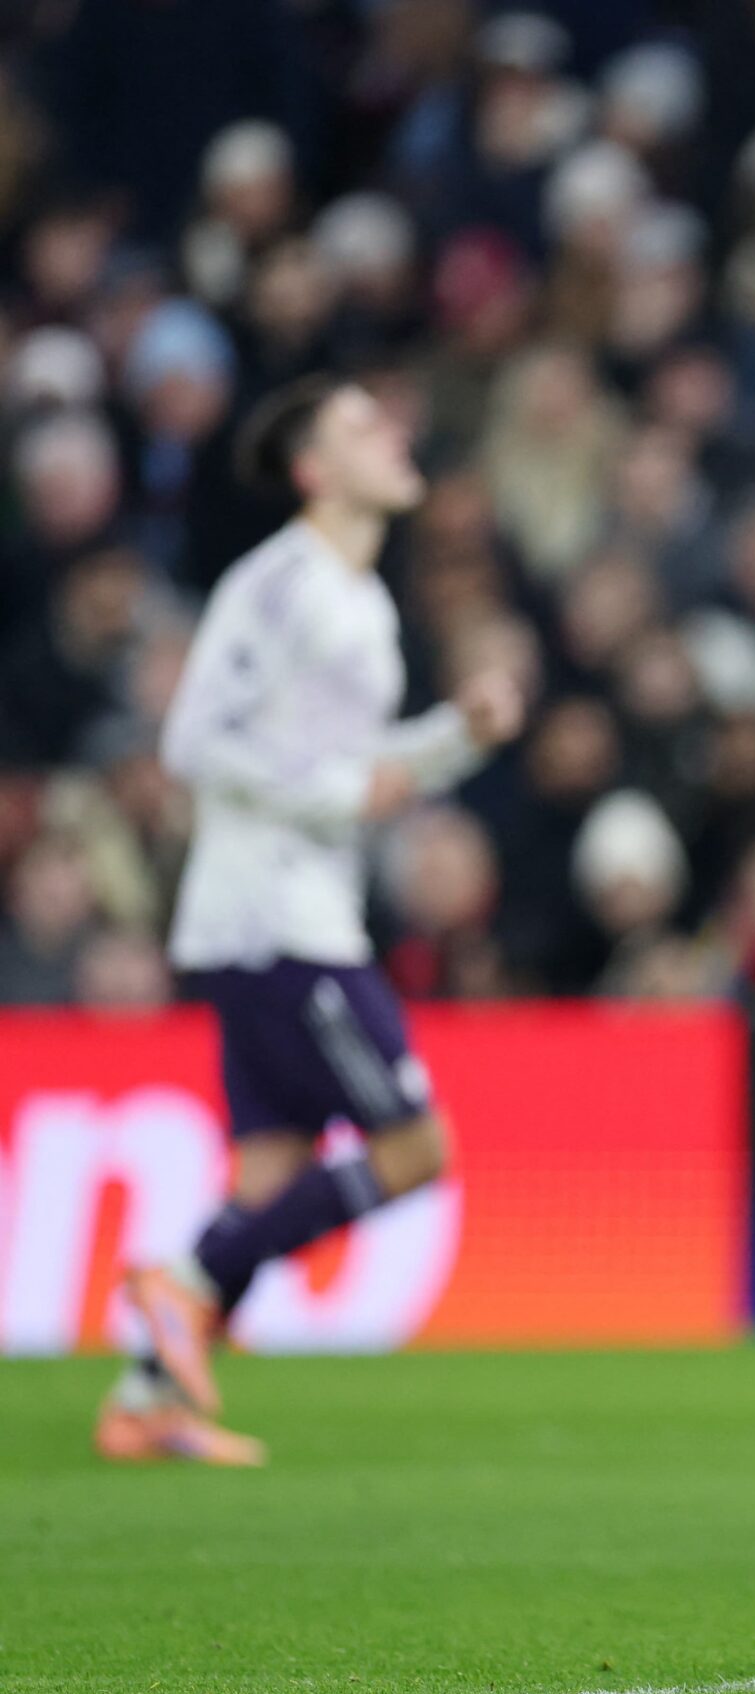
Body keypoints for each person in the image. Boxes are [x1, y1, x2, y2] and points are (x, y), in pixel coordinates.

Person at [96, 376, 523, 1466]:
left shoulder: (364, 599)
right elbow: (194, 742)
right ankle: (179, 1283)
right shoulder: (279, 582)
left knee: (269, 1176)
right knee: (417, 1147)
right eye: (360, 426)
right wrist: (337, 793)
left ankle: (145, 1402)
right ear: (312, 471)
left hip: (297, 907)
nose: (393, 431)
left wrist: (458, 736)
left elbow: (360, 769)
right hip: (272, 917)